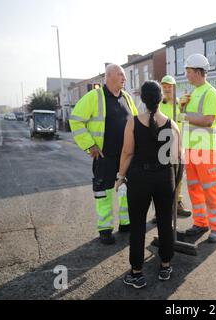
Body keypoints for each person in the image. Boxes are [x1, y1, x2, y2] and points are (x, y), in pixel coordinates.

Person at [115, 80, 180, 289]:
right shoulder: (172, 124)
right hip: (164, 178)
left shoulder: (133, 122)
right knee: (164, 223)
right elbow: (178, 157)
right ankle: (165, 266)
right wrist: (175, 182)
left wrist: (120, 176)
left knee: (137, 226)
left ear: (142, 99)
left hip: (140, 179)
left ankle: (137, 273)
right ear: (161, 99)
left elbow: (127, 152)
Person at [69, 64, 138, 245]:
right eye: (120, 75)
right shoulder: (94, 97)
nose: (124, 78)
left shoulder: (128, 98)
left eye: (124, 75)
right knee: (104, 193)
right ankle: (105, 229)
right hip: (104, 156)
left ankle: (126, 223)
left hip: (125, 156)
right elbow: (75, 121)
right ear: (108, 76)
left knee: (125, 190)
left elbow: (136, 123)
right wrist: (90, 145)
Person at [178, 54, 216, 243]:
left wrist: (184, 117)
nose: (187, 75)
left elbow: (207, 120)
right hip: (190, 148)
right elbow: (183, 117)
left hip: (204, 150)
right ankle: (200, 222)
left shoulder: (210, 92)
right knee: (194, 189)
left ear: (198, 72)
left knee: (209, 189)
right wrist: (181, 108)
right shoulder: (193, 92)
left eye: (188, 72)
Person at [159, 75, 192, 217]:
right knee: (161, 179)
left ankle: (177, 204)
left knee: (178, 177)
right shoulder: (158, 104)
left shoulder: (180, 104)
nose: (166, 89)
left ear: (174, 88)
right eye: (164, 86)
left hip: (178, 145)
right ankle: (160, 210)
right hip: (161, 146)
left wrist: (185, 106)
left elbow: (185, 121)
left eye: (169, 86)